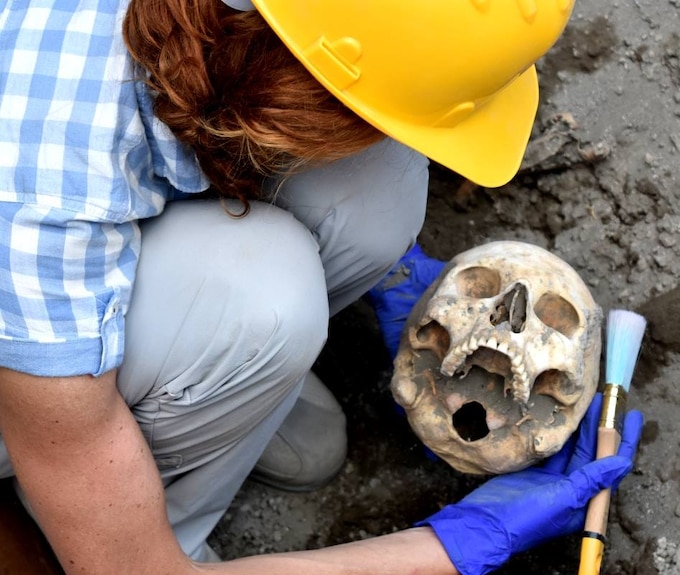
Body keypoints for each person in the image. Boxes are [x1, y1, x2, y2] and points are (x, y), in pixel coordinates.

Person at [0, 1, 644, 574]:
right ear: (298, 93)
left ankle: (221, 388)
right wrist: (451, 547)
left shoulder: (255, 26)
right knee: (267, 295)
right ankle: (120, 517)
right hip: (24, 366)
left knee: (374, 185)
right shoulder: (41, 182)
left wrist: (384, 260)